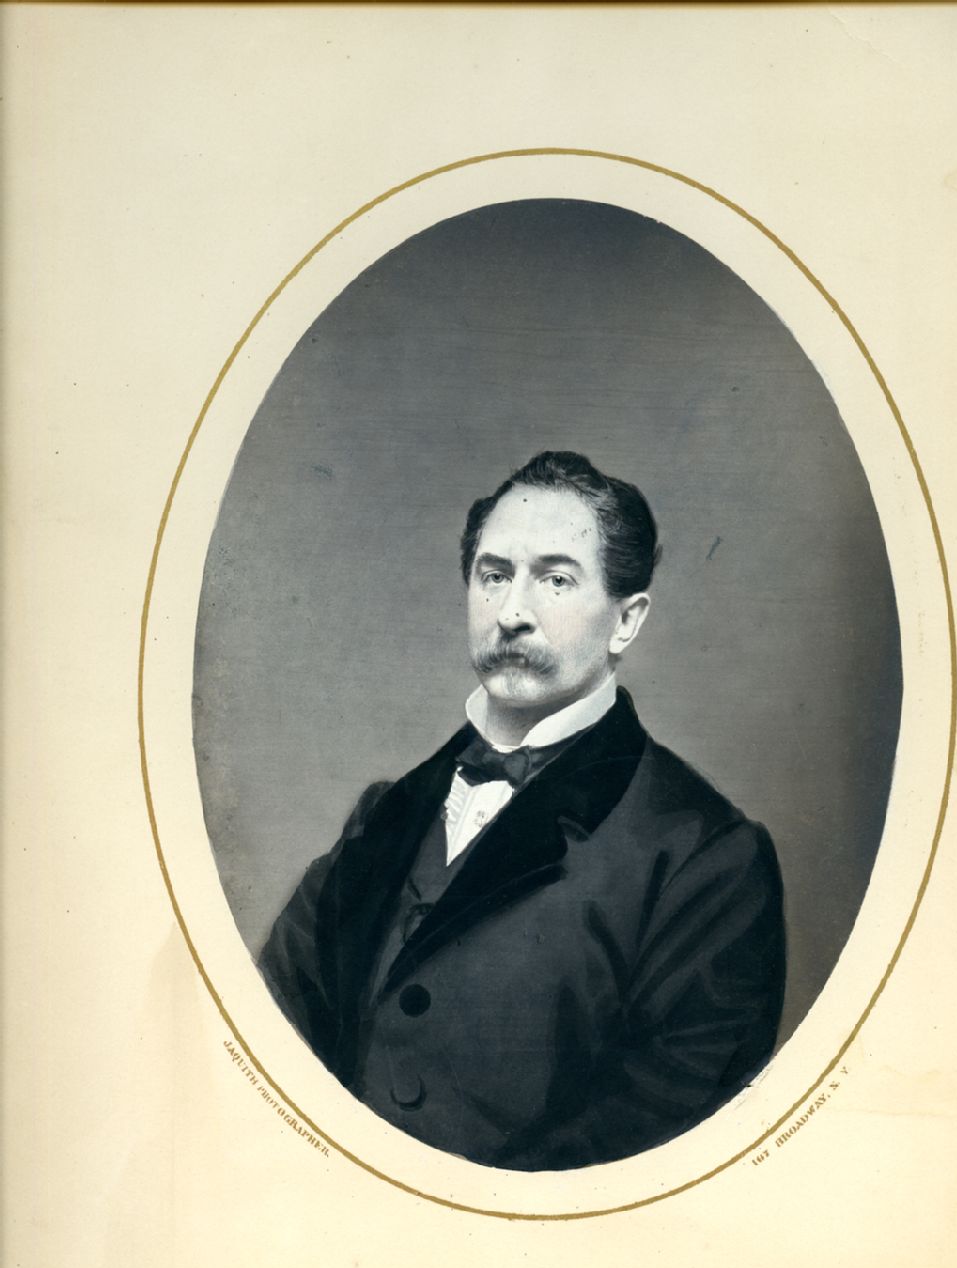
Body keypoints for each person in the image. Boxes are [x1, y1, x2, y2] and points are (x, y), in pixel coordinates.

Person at [258, 451, 786, 1171]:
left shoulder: (708, 856)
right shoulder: (385, 815)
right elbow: (275, 1027)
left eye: (556, 579)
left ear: (626, 621)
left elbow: (663, 1128)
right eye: (494, 575)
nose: (512, 613)